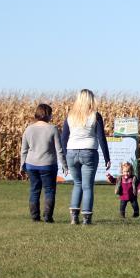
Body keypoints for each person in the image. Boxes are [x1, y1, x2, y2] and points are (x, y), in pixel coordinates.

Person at [61, 89, 110, 225]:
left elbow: (63, 138)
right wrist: (107, 157)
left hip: (71, 152)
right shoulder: (95, 115)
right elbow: (101, 138)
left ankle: (74, 217)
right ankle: (86, 219)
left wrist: (66, 156)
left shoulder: (70, 116)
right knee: (87, 186)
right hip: (89, 151)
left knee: (77, 183)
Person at [20, 103, 68, 223]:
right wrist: (64, 165)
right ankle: (47, 216)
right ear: (48, 115)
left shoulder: (29, 129)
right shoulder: (53, 129)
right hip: (48, 165)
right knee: (49, 190)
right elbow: (59, 150)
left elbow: (24, 150)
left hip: (31, 165)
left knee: (34, 190)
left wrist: (22, 165)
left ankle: (35, 216)